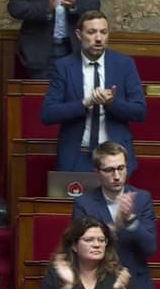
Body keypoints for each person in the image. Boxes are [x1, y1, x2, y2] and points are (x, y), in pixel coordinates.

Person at [41, 10, 146, 173]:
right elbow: (48, 114)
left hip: (115, 157)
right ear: (79, 34)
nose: (98, 38)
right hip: (76, 156)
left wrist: (112, 103)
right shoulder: (64, 67)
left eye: (103, 32)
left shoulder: (124, 64)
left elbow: (140, 111)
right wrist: (84, 103)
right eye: (91, 32)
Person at [73, 141, 157, 289]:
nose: (117, 176)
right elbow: (80, 248)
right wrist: (115, 225)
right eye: (109, 170)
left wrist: (131, 221)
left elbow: (150, 247)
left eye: (121, 168)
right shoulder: (84, 204)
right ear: (97, 172)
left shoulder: (142, 199)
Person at [8, 0, 101, 80]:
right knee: (43, 93)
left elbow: (94, 4)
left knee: (75, 93)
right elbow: (15, 7)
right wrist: (47, 7)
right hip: (39, 51)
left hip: (76, 49)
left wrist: (75, 4)